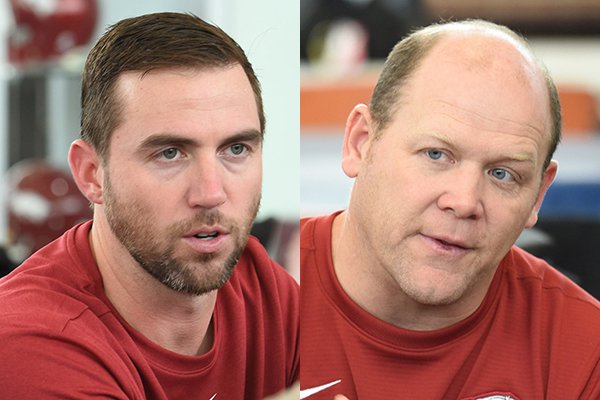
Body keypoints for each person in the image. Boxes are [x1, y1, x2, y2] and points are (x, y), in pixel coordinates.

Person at [0, 12, 299, 399]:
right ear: (92, 174)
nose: (211, 193)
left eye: (236, 149)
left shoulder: (262, 292)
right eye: (170, 153)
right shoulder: (29, 340)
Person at [300, 19, 600, 399]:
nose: (464, 202)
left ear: (538, 195)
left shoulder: (585, 354)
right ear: (361, 144)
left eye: (503, 174)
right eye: (437, 154)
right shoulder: (237, 298)